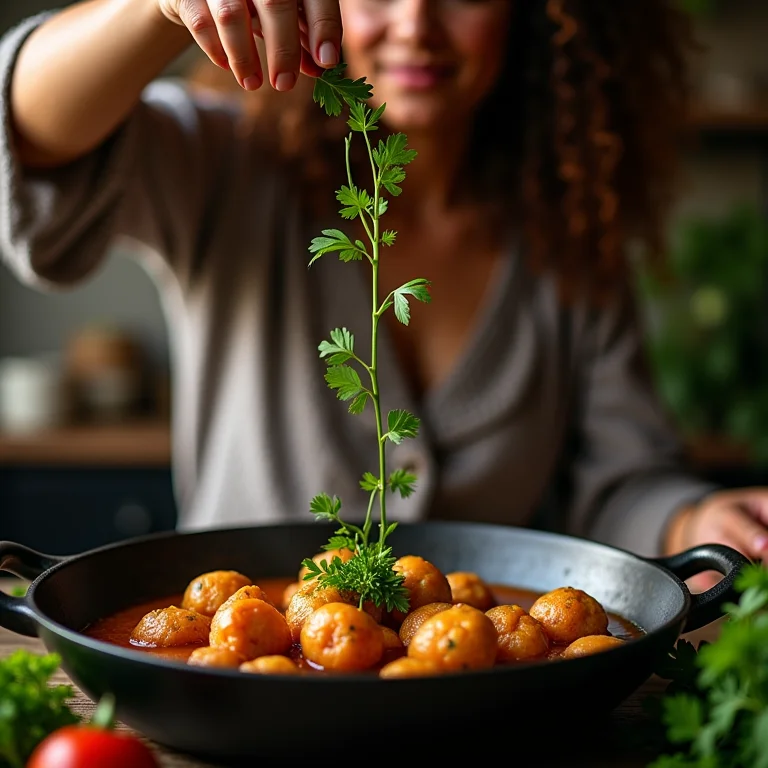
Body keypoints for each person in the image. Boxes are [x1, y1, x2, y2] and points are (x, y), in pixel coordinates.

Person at [1, 0, 766, 582]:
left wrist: (692, 519)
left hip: (478, 704)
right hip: (237, 698)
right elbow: (26, 135)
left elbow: (618, 482)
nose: (415, 25)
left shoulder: (569, 235)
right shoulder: (228, 163)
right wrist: (152, 7)